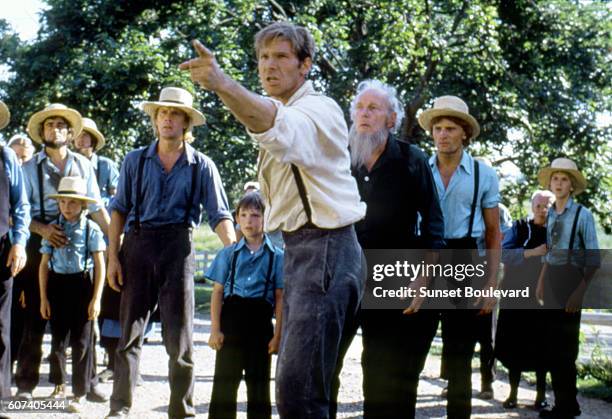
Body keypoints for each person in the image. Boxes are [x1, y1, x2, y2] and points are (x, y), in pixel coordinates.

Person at [181, 22, 366, 418]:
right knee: (303, 386)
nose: (269, 66)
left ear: (305, 66)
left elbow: (275, 126)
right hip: (303, 251)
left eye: (281, 56)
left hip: (326, 250)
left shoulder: (317, 109)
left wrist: (221, 83)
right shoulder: (285, 108)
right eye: (264, 57)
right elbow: (266, 120)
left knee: (299, 391)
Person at [105, 86, 235, 418]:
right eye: (162, 112)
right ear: (155, 119)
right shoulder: (135, 160)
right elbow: (118, 209)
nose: (167, 118)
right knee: (129, 337)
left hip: (179, 249)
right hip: (138, 245)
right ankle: (119, 407)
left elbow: (219, 214)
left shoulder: (201, 165)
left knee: (180, 341)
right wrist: (112, 256)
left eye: (174, 113)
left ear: (186, 122)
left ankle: (182, 410)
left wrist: (236, 255)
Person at [331, 79, 444, 419]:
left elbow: (434, 223)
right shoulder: (339, 158)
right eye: (359, 108)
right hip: (342, 272)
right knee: (325, 364)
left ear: (391, 119)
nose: (364, 114)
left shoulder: (413, 160)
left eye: (373, 108)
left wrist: (424, 278)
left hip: (393, 275)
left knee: (383, 371)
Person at [15, 103, 109, 400]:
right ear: (41, 132)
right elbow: (18, 211)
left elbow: (96, 207)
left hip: (80, 241)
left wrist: (115, 244)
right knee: (35, 315)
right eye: (49, 125)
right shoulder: (28, 168)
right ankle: (26, 385)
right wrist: (43, 230)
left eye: (60, 125)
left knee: (85, 318)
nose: (54, 130)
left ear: (70, 133)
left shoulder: (83, 165)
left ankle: (88, 383)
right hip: (39, 240)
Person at [419, 95, 501, 419]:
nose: (443, 135)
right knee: (412, 347)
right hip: (426, 257)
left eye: (450, 128)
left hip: (465, 260)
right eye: (438, 128)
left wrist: (491, 283)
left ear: (464, 132)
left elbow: (493, 233)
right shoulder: (420, 169)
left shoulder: (484, 175)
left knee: (460, 356)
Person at [207, 191, 284, 419]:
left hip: (260, 327)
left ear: (266, 218)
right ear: (237, 219)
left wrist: (277, 336)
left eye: (256, 215)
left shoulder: (277, 257)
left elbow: (280, 299)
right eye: (244, 215)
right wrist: (215, 330)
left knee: (259, 388)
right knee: (224, 385)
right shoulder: (228, 254)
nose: (249, 221)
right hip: (231, 323)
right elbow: (217, 293)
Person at [536, 158, 600, 419]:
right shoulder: (550, 214)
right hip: (551, 279)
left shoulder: (582, 215)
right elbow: (548, 253)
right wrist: (540, 281)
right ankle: (561, 405)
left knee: (566, 349)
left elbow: (593, 260)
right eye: (555, 179)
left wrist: (579, 291)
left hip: (572, 280)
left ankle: (568, 406)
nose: (559, 183)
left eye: (564, 179)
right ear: (550, 184)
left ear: (572, 185)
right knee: (551, 347)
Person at [38, 176, 106, 412]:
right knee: (58, 340)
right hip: (57, 286)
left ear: (83, 205)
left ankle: (79, 392)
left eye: (73, 203)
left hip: (82, 286)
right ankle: (58, 386)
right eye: (63, 202)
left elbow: (100, 265)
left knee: (83, 341)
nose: (67, 207)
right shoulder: (53, 228)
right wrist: (44, 298)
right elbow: (43, 264)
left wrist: (96, 299)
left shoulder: (91, 229)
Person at [495, 190, 555, 410]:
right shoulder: (519, 228)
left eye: (547, 205)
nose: (543, 210)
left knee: (542, 344)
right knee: (514, 343)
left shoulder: (556, 231)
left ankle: (540, 396)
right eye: (539, 205)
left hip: (542, 295)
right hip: (517, 291)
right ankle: (512, 393)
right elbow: (504, 254)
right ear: (533, 206)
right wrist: (533, 252)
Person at [0, 100, 29, 410]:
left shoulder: (6, 157)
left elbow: (21, 206)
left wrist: (19, 242)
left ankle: (2, 400)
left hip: (2, 250)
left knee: (1, 329)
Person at [73, 117, 119, 209]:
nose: (80, 139)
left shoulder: (106, 164)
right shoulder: (70, 163)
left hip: (103, 214)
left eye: (84, 135)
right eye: (77, 135)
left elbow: (117, 195)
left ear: (93, 139)